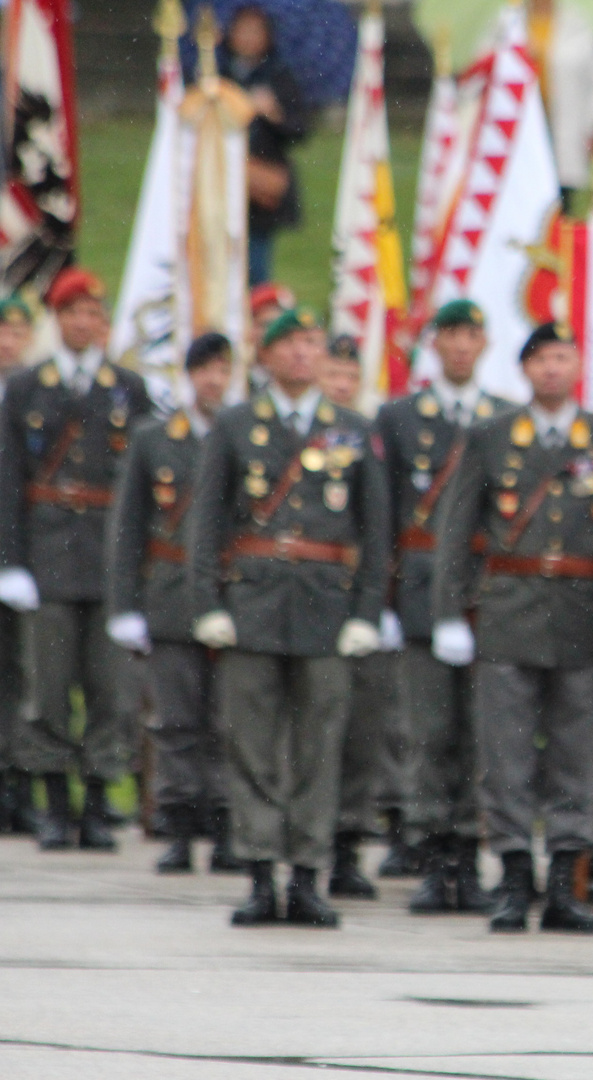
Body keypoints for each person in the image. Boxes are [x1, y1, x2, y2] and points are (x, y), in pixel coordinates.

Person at [431, 323, 593, 935]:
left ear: (578, 368)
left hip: (583, 614)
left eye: (562, 358)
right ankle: (514, 879)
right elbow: (455, 532)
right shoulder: (492, 437)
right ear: (525, 370)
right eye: (541, 359)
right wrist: (449, 614)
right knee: (507, 754)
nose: (552, 369)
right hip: (508, 612)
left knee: (577, 754)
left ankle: (566, 885)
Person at [187, 308, 389, 928]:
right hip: (252, 605)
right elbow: (206, 523)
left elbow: (375, 532)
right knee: (251, 745)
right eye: (289, 345)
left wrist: (366, 611)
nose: (302, 355)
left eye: (311, 344)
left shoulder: (352, 429)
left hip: (326, 610)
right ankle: (258, 873)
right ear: (266, 356)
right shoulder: (236, 424)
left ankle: (307, 875)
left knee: (318, 748)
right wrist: (208, 605)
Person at [0, 269, 153, 851]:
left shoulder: (128, 389)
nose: (83, 322)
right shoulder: (28, 387)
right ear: (57, 321)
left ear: (105, 321)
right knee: (51, 685)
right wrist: (11, 560)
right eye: (72, 313)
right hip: (48, 556)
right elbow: (10, 478)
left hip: (109, 558)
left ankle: (96, 804)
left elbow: (140, 490)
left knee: (110, 689)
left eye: (93, 312)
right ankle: (56, 806)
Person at [374, 300, 508, 914]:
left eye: (470, 335)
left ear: (484, 343)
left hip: (490, 596)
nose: (460, 345)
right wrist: (383, 597)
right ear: (433, 344)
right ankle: (435, 861)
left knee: (482, 738)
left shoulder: (508, 418)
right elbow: (384, 518)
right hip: (423, 595)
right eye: (449, 334)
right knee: (428, 736)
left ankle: (472, 860)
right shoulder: (401, 418)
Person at [106, 333, 243, 874]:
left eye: (222, 370)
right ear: (188, 377)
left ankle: (229, 823)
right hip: (168, 594)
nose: (214, 380)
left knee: (228, 720)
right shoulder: (154, 438)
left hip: (231, 595)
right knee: (177, 720)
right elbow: (129, 524)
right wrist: (124, 603)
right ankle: (180, 826)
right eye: (204, 370)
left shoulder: (242, 436)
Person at [311, 333, 399, 900]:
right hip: (302, 602)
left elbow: (378, 528)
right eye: (332, 373)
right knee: (305, 733)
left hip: (354, 602)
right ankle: (293, 851)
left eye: (351, 374)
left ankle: (346, 847)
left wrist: (374, 605)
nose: (342, 385)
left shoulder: (368, 438)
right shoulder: (290, 435)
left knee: (360, 734)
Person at [221, 6, 308, 286]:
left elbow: (300, 130)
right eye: (242, 30)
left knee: (256, 265)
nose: (247, 38)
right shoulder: (219, 73)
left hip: (258, 190)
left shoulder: (278, 75)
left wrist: (273, 113)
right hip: (221, 180)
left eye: (254, 31)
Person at [0, 296, 35, 834]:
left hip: (21, 554)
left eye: (18, 329)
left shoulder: (35, 392)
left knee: (21, 676)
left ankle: (17, 784)